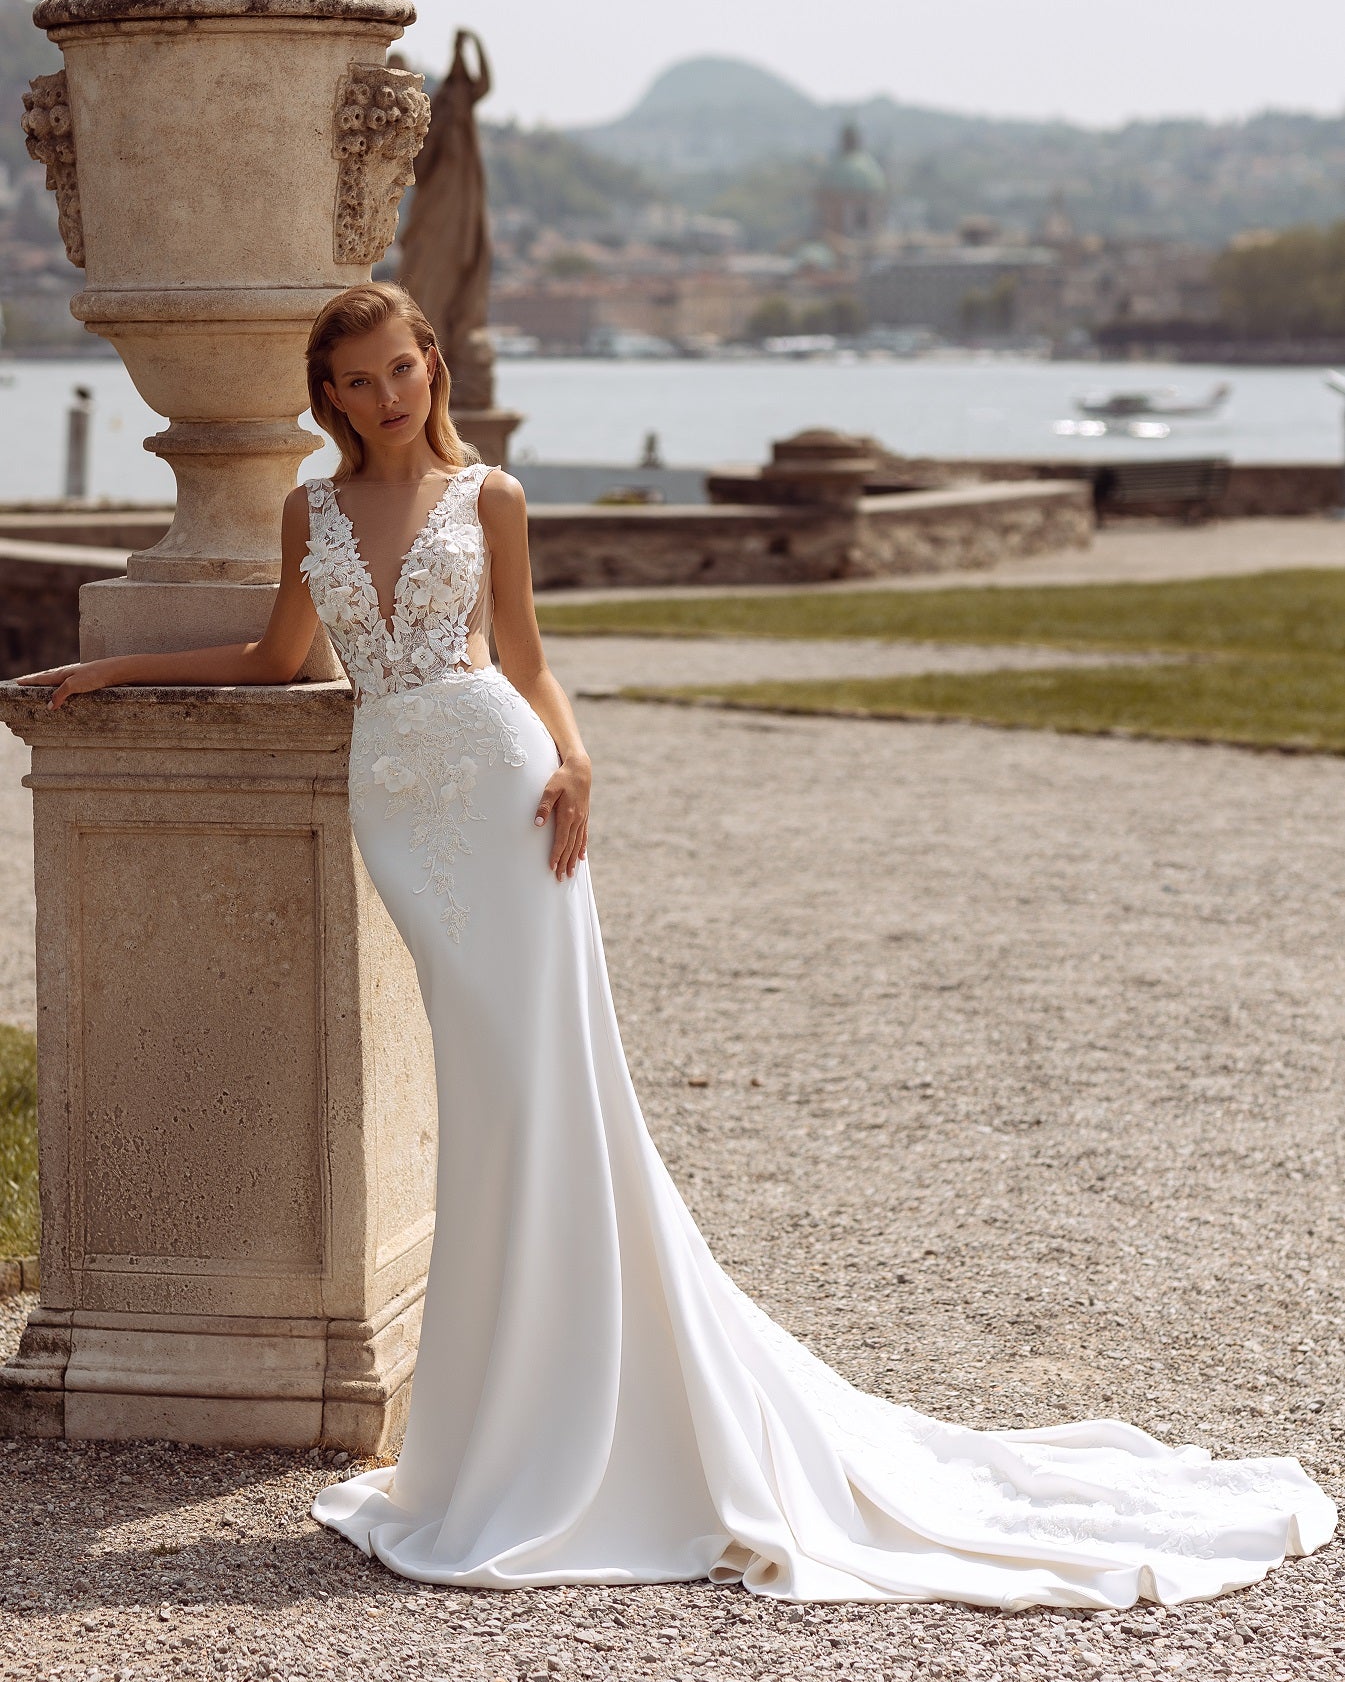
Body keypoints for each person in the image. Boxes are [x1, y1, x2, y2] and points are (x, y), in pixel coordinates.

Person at [23, 282, 1335, 1606]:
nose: (383, 397)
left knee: (547, 1094)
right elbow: (275, 656)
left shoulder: (494, 499)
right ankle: (505, 1425)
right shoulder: (311, 511)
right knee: (491, 1102)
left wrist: (580, 756)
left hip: (501, 788)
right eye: (355, 383)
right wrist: (108, 675)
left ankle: (573, 1418)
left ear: (431, 365)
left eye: (399, 370)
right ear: (328, 396)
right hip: (400, 815)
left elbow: (526, 659)